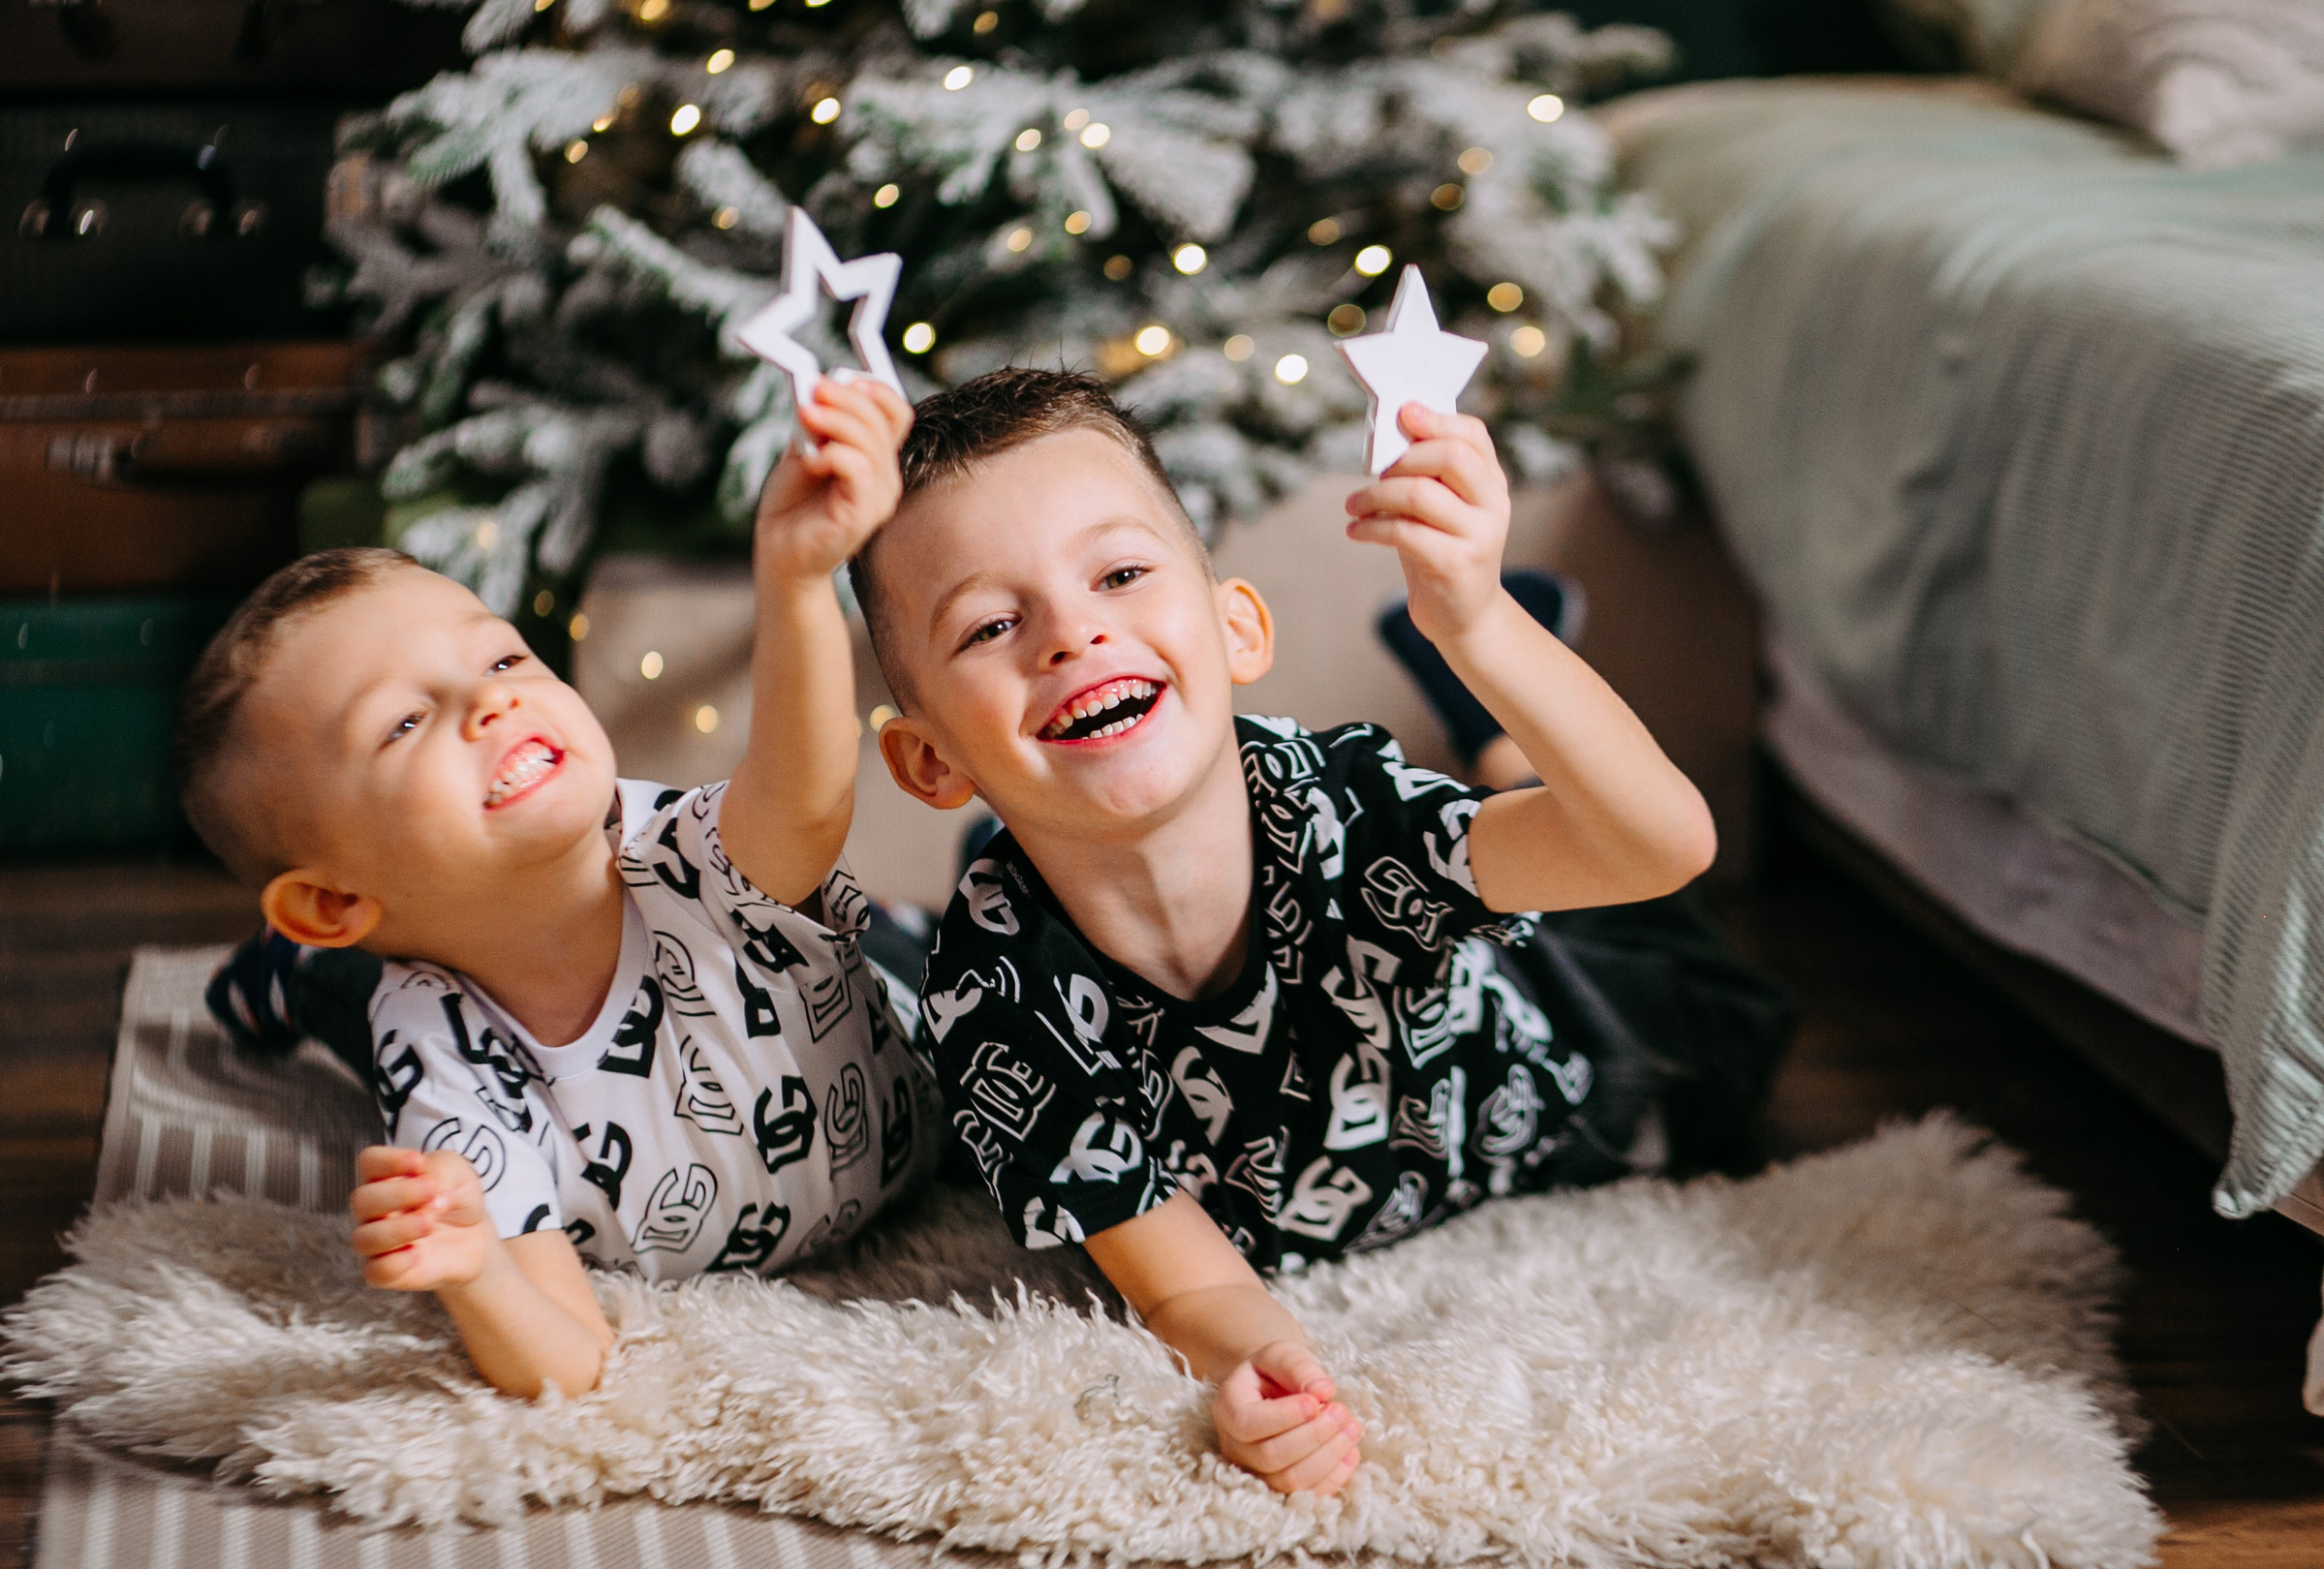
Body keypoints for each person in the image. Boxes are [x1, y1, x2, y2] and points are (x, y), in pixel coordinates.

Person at [852, 368, 1784, 1498]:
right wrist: (1266, 1368)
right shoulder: (995, 997)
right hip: (1051, 906)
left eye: (1122, 574)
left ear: (1237, 629)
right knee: (1011, 896)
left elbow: (1654, 848)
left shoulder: (1340, 809)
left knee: (1692, 983)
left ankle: (1483, 712)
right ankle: (1044, 832)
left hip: (1593, 1018)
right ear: (931, 760)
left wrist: (1477, 620)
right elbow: (1185, 1285)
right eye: (992, 625)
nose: (1072, 632)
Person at [171, 375, 939, 1400]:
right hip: (432, 975)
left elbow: (800, 801)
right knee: (370, 1001)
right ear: (333, 899)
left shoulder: (676, 850)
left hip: (892, 1050)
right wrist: (476, 1271)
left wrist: (796, 580)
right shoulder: (441, 1054)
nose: (489, 701)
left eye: (499, 656)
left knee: (941, 941)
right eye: (402, 724)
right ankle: (299, 972)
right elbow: (570, 1359)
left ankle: (905, 914)